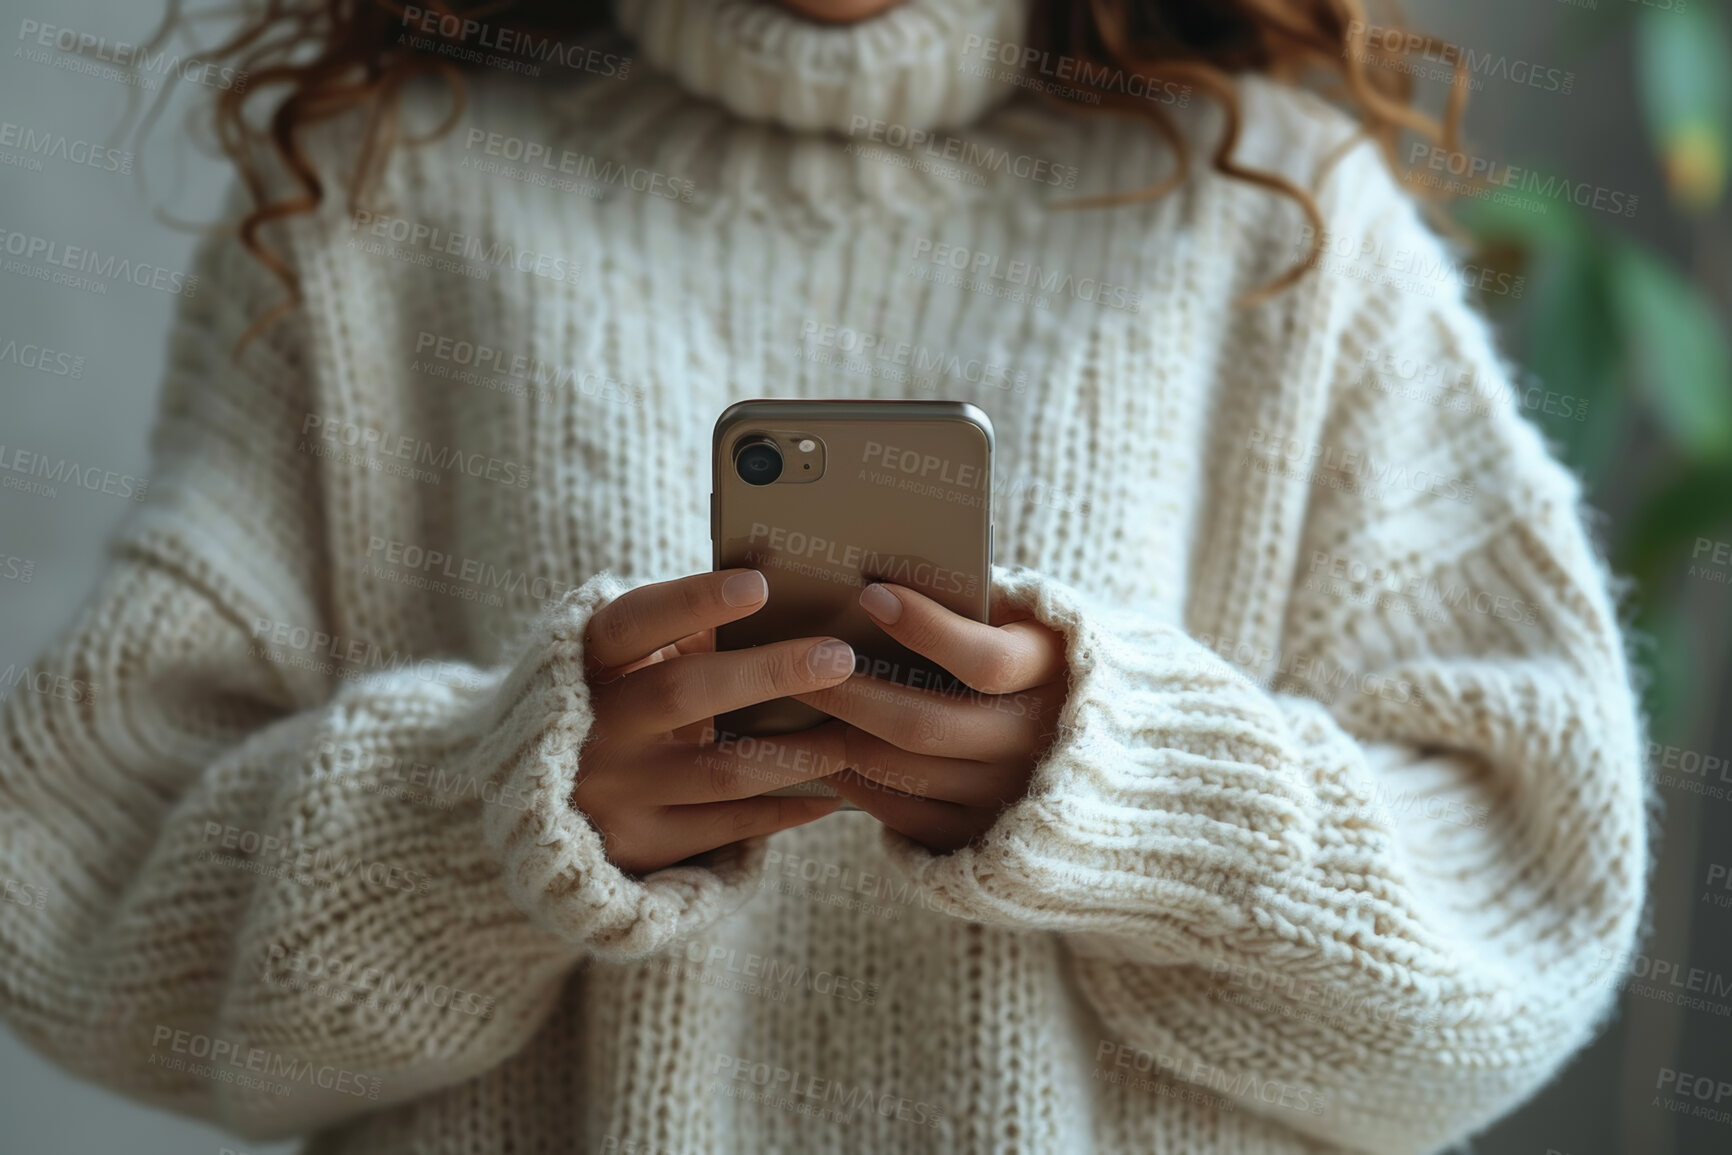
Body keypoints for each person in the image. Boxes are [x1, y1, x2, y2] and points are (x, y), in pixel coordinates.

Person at [0, 0, 1650, 1152]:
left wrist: (1139, 795)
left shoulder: (1274, 208)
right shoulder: (379, 196)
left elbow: (1529, 904)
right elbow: (72, 895)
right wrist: (496, 820)